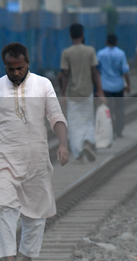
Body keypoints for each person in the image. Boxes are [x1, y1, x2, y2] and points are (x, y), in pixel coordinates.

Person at [0, 43, 69, 261]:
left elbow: (56, 117)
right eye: (10, 69)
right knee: (4, 207)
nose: (16, 73)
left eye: (19, 68)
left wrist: (63, 144)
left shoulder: (43, 85)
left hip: (36, 158)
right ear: (4, 65)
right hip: (3, 158)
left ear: (28, 62)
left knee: (36, 214)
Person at [60, 23, 104, 164]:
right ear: (83, 35)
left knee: (74, 124)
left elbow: (65, 74)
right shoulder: (90, 51)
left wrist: (63, 94)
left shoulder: (66, 53)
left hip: (73, 93)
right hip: (87, 92)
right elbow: (95, 72)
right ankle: (87, 142)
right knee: (88, 121)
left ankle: (78, 153)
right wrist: (100, 91)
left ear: (70, 36)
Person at [97, 34, 131, 138]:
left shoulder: (101, 54)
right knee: (120, 109)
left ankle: (109, 130)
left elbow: (96, 70)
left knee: (108, 110)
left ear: (106, 42)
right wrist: (128, 84)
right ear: (116, 42)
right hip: (118, 86)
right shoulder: (121, 54)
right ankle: (119, 130)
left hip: (105, 86)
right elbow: (125, 71)